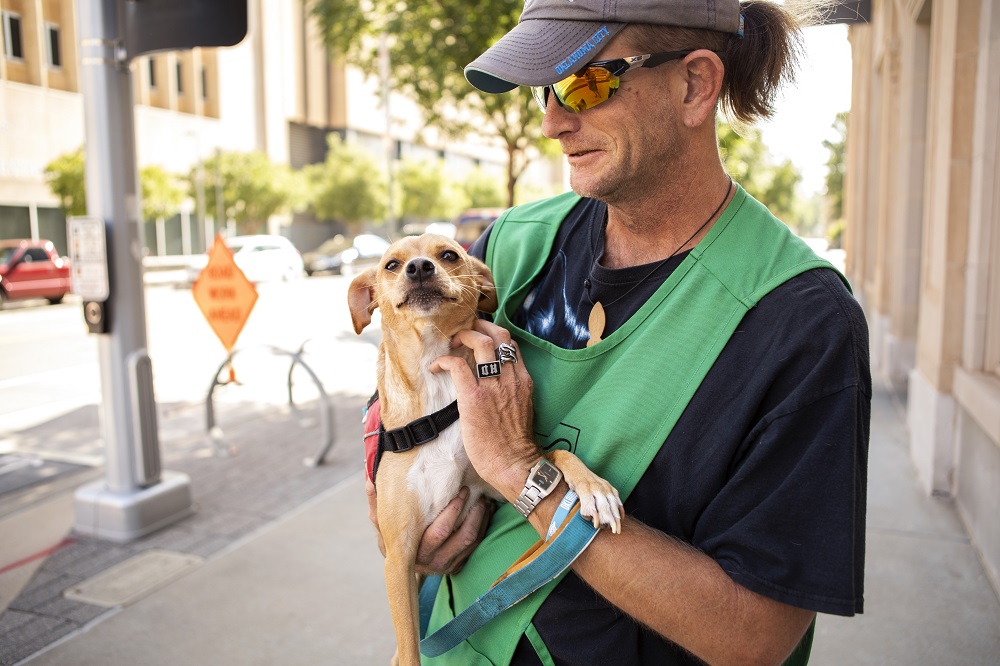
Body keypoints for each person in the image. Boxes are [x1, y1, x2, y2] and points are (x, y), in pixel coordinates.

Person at [365, 1, 870, 664]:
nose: (552, 121)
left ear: (695, 85)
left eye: (584, 82)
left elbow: (755, 638)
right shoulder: (513, 246)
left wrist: (522, 473)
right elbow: (394, 389)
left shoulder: (798, 324)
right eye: (546, 90)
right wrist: (393, 499)